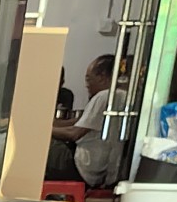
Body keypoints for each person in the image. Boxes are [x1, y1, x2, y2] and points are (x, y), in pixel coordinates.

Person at [46, 54, 121, 186]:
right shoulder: (121, 96)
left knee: (39, 144)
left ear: (102, 77)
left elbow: (74, 133)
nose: (87, 85)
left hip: (82, 167)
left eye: (88, 79)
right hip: (98, 170)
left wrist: (43, 130)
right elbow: (78, 122)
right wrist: (47, 124)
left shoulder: (104, 96)